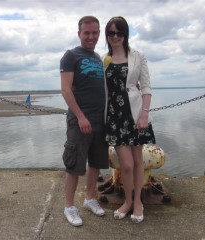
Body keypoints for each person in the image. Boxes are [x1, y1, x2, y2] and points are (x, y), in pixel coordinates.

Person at [102, 16, 156, 224]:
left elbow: (147, 87)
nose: (115, 36)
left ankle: (138, 202)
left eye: (119, 32)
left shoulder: (138, 57)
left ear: (125, 35)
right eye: (111, 33)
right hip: (114, 117)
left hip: (134, 115)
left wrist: (144, 114)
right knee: (125, 164)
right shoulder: (103, 60)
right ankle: (127, 200)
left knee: (138, 161)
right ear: (107, 35)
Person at [60, 16, 109, 227]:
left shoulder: (98, 57)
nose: (91, 36)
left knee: (96, 164)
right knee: (74, 165)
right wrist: (80, 117)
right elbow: (65, 89)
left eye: (95, 32)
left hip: (100, 121)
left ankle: (90, 199)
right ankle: (69, 206)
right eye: (87, 33)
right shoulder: (71, 56)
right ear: (79, 33)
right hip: (79, 121)